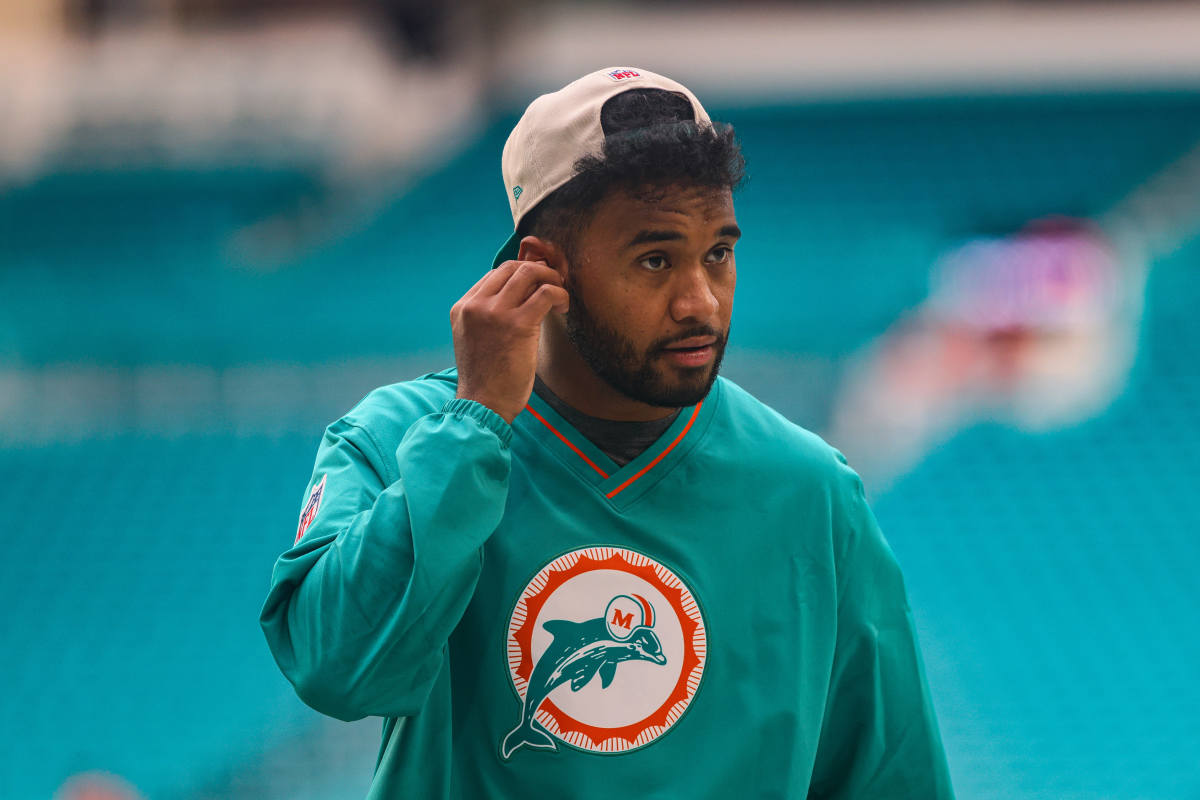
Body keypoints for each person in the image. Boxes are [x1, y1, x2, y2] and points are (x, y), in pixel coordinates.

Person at [260, 66, 954, 799]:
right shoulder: (396, 438)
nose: (700, 301)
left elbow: (892, 780)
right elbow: (337, 674)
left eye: (718, 253)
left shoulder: (810, 490)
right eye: (655, 259)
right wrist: (473, 429)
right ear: (543, 270)